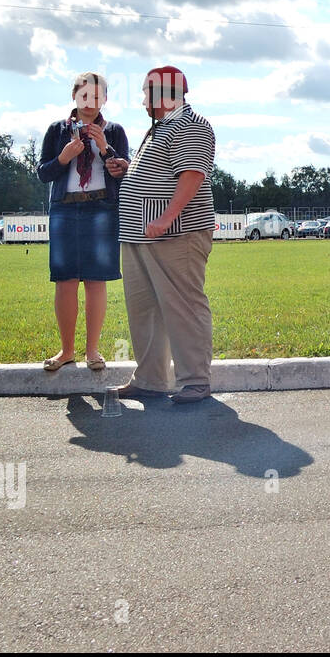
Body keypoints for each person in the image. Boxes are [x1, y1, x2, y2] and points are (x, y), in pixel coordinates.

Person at [111, 66, 217, 404]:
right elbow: (163, 174)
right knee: (145, 310)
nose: (143, 100)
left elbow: (191, 175)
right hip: (141, 236)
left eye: (146, 93)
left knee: (183, 306)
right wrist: (129, 171)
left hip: (176, 235)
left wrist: (166, 217)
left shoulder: (192, 125)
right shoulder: (161, 129)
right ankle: (151, 379)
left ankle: (196, 380)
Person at [36, 72, 130, 372]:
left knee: (95, 280)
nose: (90, 102)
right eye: (84, 95)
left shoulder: (114, 131)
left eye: (96, 96)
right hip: (65, 208)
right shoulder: (57, 130)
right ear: (74, 96)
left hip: (102, 209)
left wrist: (106, 149)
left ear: (105, 99)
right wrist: (63, 158)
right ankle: (66, 351)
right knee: (64, 280)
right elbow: (43, 173)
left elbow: (123, 172)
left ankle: (92, 351)